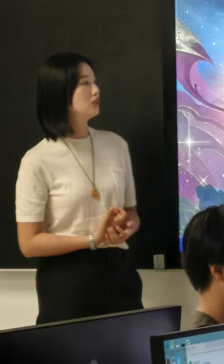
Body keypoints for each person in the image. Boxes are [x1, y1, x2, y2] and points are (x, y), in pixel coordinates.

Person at [15, 53, 143, 324]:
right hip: (66, 283)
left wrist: (126, 225)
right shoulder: (37, 160)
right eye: (85, 83)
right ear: (60, 92)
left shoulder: (116, 145)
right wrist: (92, 240)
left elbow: (132, 213)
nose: (96, 90)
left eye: (94, 82)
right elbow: (28, 243)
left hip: (120, 275)